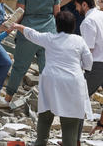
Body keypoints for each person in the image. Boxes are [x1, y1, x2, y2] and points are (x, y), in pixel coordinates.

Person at [8, 11, 91, 146]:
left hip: (51, 81)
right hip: (73, 82)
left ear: (57, 25)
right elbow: (89, 63)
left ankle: (40, 142)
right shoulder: (79, 40)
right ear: (73, 26)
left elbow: (32, 34)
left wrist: (17, 26)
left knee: (45, 117)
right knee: (70, 123)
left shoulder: (49, 38)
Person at [4, 0, 60, 106]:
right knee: (46, 69)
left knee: (19, 67)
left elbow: (19, 14)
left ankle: (8, 98)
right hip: (49, 34)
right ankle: (49, 101)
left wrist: (11, 26)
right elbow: (57, 14)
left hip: (28, 33)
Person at [73, 0, 103, 140]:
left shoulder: (88, 21)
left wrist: (80, 69)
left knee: (78, 100)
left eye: (77, 6)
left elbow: (88, 50)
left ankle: (74, 139)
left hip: (97, 66)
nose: (76, 9)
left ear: (84, 4)